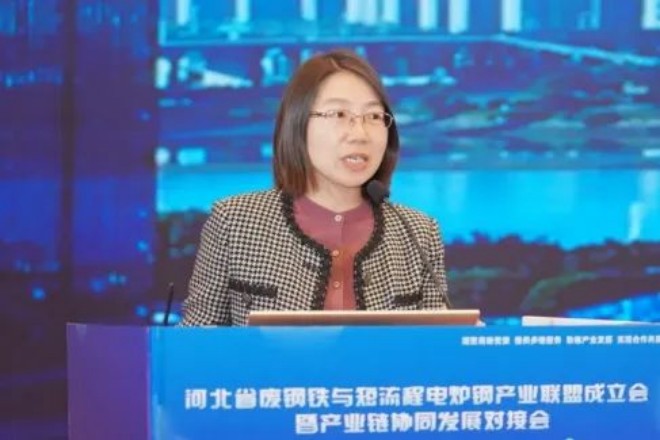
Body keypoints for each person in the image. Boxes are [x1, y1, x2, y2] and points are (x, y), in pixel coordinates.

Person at [180, 49, 450, 327]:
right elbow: (195, 342)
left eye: (373, 116)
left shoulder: (419, 232)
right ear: (298, 124)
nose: (360, 134)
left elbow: (439, 346)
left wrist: (462, 342)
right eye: (339, 114)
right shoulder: (234, 222)